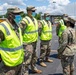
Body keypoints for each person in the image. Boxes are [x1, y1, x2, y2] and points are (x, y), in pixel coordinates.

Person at [0, 7, 24, 75]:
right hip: (8, 66)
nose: (19, 16)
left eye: (19, 14)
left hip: (19, 61)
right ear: (10, 15)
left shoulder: (17, 26)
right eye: (17, 14)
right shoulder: (2, 27)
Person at [20, 6, 42, 74]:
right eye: (32, 11)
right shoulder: (24, 21)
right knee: (27, 60)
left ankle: (34, 68)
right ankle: (25, 73)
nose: (34, 12)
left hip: (34, 42)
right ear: (28, 11)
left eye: (34, 11)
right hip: (27, 43)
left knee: (34, 57)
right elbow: (20, 32)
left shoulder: (35, 20)